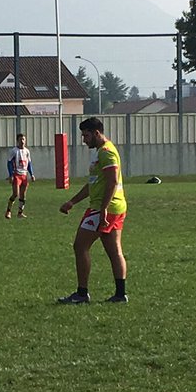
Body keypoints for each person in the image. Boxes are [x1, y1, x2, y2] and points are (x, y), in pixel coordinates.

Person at [57, 116, 128, 303]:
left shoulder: (106, 152)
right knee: (114, 251)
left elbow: (112, 181)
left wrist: (103, 209)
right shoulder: (100, 152)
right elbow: (94, 184)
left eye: (86, 135)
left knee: (80, 246)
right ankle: (120, 295)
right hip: (115, 206)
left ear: (97, 133)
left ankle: (82, 293)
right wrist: (72, 202)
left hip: (103, 208)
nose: (84, 139)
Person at [5, 132, 34, 218]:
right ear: (17, 141)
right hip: (16, 175)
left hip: (24, 175)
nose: (22, 141)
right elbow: (9, 163)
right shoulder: (14, 151)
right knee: (15, 194)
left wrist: (32, 174)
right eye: (20, 139)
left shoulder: (27, 151)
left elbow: (29, 163)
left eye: (23, 139)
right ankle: (8, 211)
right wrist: (11, 175)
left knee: (23, 195)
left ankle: (20, 213)